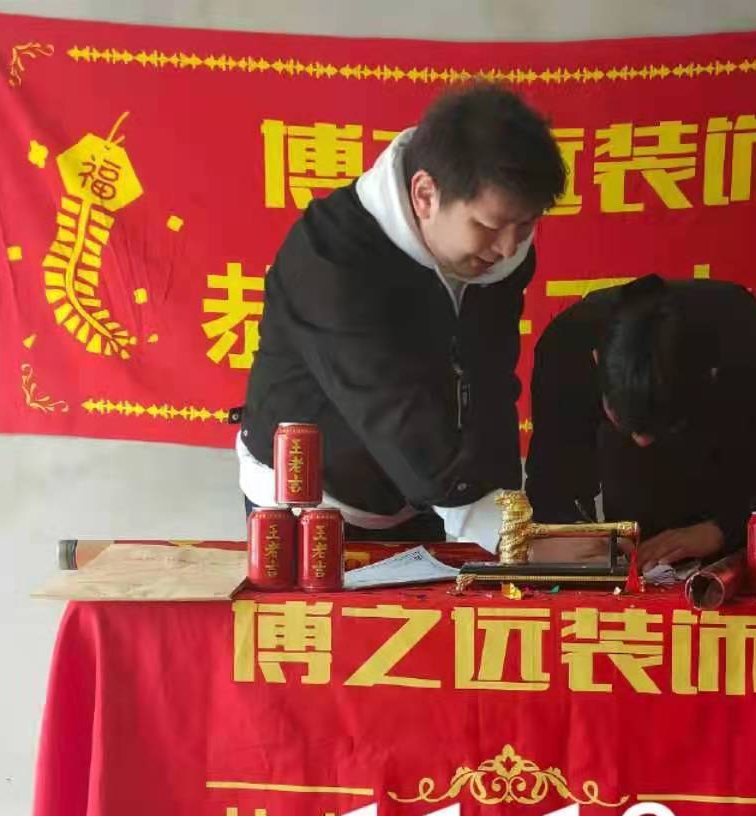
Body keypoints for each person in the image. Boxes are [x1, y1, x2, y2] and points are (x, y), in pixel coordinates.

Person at [236, 84, 566, 549]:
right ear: (425, 193)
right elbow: (389, 405)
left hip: (428, 499)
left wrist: (510, 515)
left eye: (526, 225)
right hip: (309, 507)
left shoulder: (501, 259)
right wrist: (505, 535)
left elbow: (489, 382)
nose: (509, 248)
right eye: (489, 225)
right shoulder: (330, 257)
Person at [525, 274, 756, 566]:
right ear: (597, 361)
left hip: (742, 554)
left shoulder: (753, 344)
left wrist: (724, 529)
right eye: (626, 423)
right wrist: (565, 539)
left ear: (710, 374)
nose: (642, 441)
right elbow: (553, 493)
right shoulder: (568, 350)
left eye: (665, 425)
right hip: (640, 559)